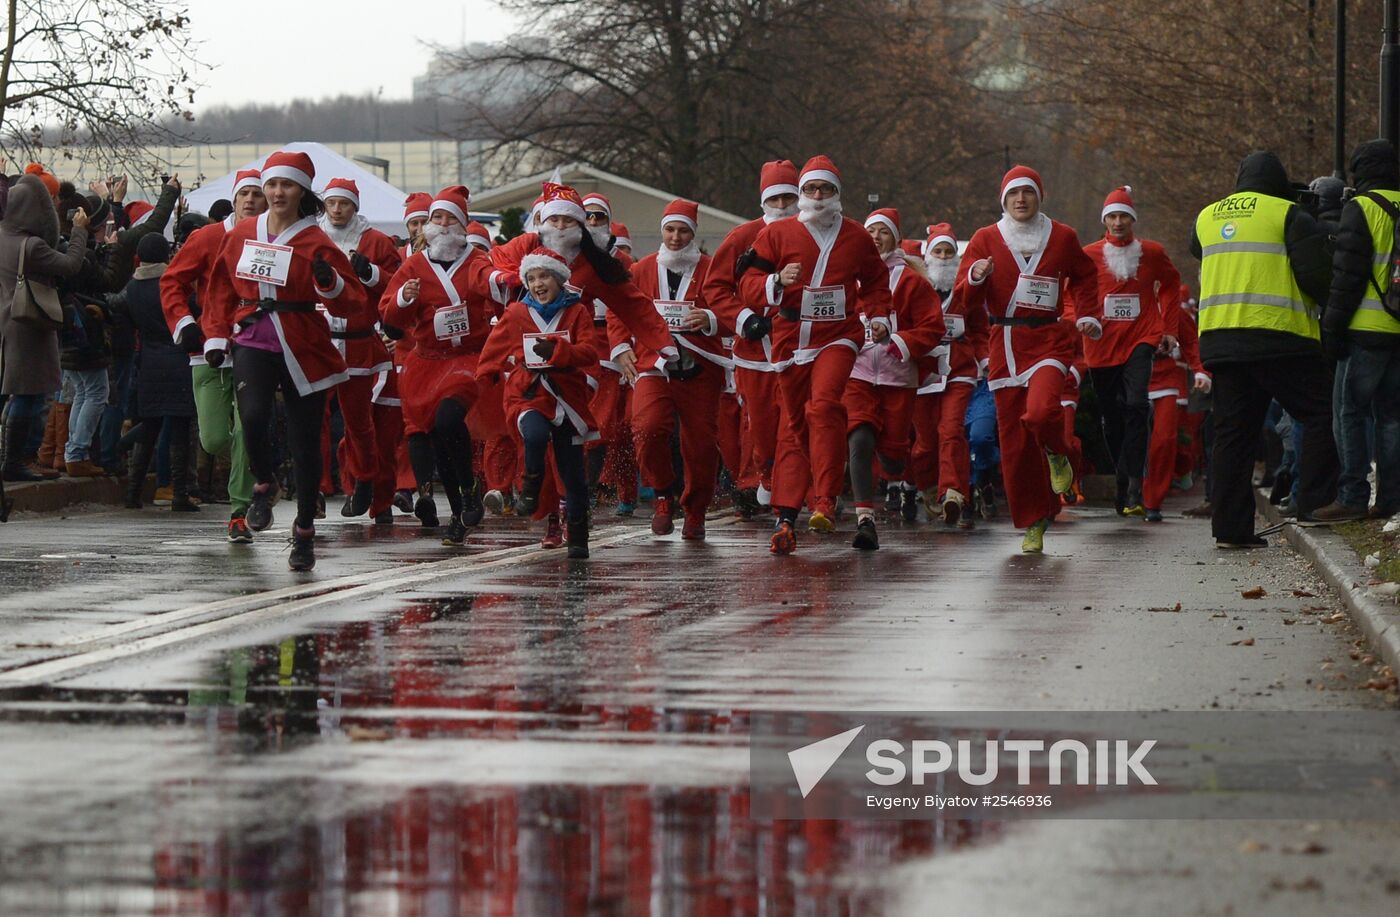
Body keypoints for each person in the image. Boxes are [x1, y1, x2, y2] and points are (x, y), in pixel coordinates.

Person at [203, 150, 368, 571]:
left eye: (287, 185)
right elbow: (220, 286)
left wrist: (329, 283)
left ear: (302, 191)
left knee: (304, 441)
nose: (277, 193)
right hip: (253, 336)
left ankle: (304, 531)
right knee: (252, 416)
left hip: (303, 342)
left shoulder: (316, 240)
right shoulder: (243, 233)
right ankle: (264, 482)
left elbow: (353, 300)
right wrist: (215, 334)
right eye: (272, 184)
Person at [739, 155, 894, 554]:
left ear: (837, 193)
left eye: (826, 189)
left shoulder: (856, 236)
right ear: (801, 194)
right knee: (795, 427)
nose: (819, 195)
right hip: (791, 338)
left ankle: (825, 499)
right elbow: (747, 282)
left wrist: (879, 318)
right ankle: (787, 515)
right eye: (811, 188)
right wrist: (776, 280)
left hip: (838, 336)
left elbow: (876, 281)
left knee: (824, 405)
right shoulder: (778, 233)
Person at [1190, 151, 1336, 547]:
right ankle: (1315, 505)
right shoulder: (1288, 214)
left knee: (1233, 435)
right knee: (1322, 411)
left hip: (1222, 340)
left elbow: (1199, 249)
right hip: (1279, 338)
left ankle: (1231, 529)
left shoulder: (1207, 217)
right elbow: (1316, 276)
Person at [960, 166, 1100, 552]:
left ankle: (1058, 452)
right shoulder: (985, 238)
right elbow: (964, 299)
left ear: (1040, 197)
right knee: (1016, 446)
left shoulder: (1062, 236)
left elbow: (1086, 275)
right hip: (1004, 344)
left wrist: (1087, 314)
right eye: (1013, 194)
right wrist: (975, 276)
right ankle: (1035, 520)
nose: (1020, 200)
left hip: (1047, 339)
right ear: (1003, 200)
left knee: (1041, 412)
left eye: (1028, 193)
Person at [379, 185, 508, 545]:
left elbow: (489, 280)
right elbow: (389, 315)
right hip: (427, 361)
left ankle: (469, 489)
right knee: (437, 437)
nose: (443, 223)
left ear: (463, 224)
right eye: (437, 217)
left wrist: (502, 282)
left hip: (466, 358)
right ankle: (458, 511)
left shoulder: (475, 259)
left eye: (451, 217)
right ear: (428, 225)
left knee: (449, 420)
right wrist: (404, 299)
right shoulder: (415, 265)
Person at [611, 199, 731, 539]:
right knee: (647, 428)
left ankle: (695, 510)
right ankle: (663, 493)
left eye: (683, 231)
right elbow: (620, 308)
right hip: (654, 363)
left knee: (701, 444)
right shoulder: (642, 270)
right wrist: (621, 348)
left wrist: (710, 319)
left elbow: (734, 311)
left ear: (693, 234)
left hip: (700, 366)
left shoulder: (711, 269)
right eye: (670, 230)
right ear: (662, 231)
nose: (676, 238)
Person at [162, 169, 265, 542]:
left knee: (248, 428)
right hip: (207, 350)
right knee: (214, 439)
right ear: (234, 200)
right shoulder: (207, 237)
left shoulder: (273, 240)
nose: (250, 200)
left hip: (256, 348)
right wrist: (184, 322)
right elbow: (172, 281)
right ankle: (256, 471)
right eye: (244, 194)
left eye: (257, 194)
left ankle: (240, 511)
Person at [478, 247, 597, 559]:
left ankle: (578, 537)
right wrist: (484, 378)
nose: (537, 284)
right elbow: (492, 350)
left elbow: (589, 353)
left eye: (544, 276)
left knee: (572, 472)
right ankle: (529, 489)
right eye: (531, 278)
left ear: (558, 279)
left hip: (566, 396)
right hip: (527, 393)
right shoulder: (516, 313)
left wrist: (558, 351)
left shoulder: (577, 312)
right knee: (534, 434)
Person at [703, 159, 800, 518]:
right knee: (760, 428)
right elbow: (715, 287)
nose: (782, 206)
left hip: (802, 349)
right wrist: (744, 319)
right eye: (774, 199)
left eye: (789, 198)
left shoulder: (811, 236)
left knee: (796, 424)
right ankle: (766, 478)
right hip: (755, 353)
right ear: (763, 201)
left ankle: (795, 496)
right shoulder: (743, 237)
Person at [843, 208, 944, 549]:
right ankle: (865, 520)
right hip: (857, 374)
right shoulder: (850, 278)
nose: (875, 237)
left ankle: (898, 473)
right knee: (859, 437)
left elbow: (933, 328)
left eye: (883, 232)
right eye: (870, 231)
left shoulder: (913, 283)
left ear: (896, 239)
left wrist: (899, 341)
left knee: (893, 454)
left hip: (899, 379)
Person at [1083, 186, 1182, 515]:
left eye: (1123, 216)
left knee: (1137, 404)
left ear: (1133, 219)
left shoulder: (1151, 252)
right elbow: (1070, 292)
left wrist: (1168, 329)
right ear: (1104, 220)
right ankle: (1122, 478)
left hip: (1142, 337)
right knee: (1112, 419)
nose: (1118, 222)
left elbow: (1171, 284)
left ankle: (1136, 487)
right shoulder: (1089, 255)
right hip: (1101, 345)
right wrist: (1080, 320)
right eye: (1112, 216)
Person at [1318, 139, 1400, 520]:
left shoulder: (1361, 208)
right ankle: (1390, 498)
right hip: (1397, 331)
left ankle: (1352, 496)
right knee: (1392, 416)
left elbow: (1346, 278)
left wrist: (1331, 330)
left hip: (1365, 329)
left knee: (1348, 412)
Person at [317, 177, 401, 519]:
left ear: (355, 206)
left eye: (344, 204)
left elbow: (396, 287)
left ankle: (366, 480)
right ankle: (317, 487)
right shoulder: (311, 237)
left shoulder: (376, 241)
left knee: (361, 421)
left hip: (360, 342)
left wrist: (370, 273)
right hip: (319, 342)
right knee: (313, 419)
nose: (337, 210)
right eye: (331, 203)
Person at [0, 175, 90, 482]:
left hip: (8, 321)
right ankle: (18, 460)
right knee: (30, 395)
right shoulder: (32, 246)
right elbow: (71, 265)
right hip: (30, 324)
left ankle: (13, 458)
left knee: (16, 393)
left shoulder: (3, 236)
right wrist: (79, 232)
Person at [908, 223, 988, 528]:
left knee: (951, 430)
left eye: (948, 252)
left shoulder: (965, 291)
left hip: (959, 368)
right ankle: (928, 485)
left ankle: (953, 492)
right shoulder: (916, 288)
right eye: (938, 252)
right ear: (928, 256)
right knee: (926, 442)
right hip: (924, 372)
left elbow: (979, 328)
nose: (943, 257)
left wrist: (985, 359)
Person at [115, 233, 201, 511]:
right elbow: (194, 311)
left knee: (149, 427)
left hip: (149, 362)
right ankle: (179, 494)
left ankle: (133, 493)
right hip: (178, 359)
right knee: (179, 429)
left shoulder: (132, 288)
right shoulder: (173, 284)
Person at [1143, 299, 1210, 521]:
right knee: (1130, 438)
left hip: (1167, 379)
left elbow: (1191, 341)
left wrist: (1200, 371)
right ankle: (1133, 490)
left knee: (1164, 439)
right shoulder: (1121, 295)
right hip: (1132, 377)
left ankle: (1152, 501)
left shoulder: (1174, 311)